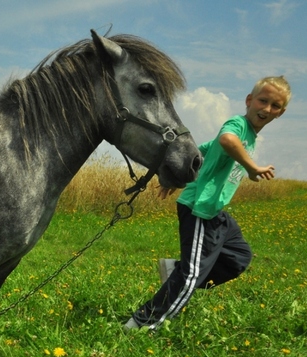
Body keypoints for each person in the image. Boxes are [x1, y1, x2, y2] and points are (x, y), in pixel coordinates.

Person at [124, 76, 291, 330]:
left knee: (238, 256)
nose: (267, 109)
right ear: (249, 100)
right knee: (192, 276)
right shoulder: (238, 125)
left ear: (281, 113)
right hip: (199, 207)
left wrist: (176, 174)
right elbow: (226, 141)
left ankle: (175, 272)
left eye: (275, 106)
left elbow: (203, 148)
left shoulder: (251, 136)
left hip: (214, 209)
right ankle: (143, 323)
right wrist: (251, 167)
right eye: (263, 100)